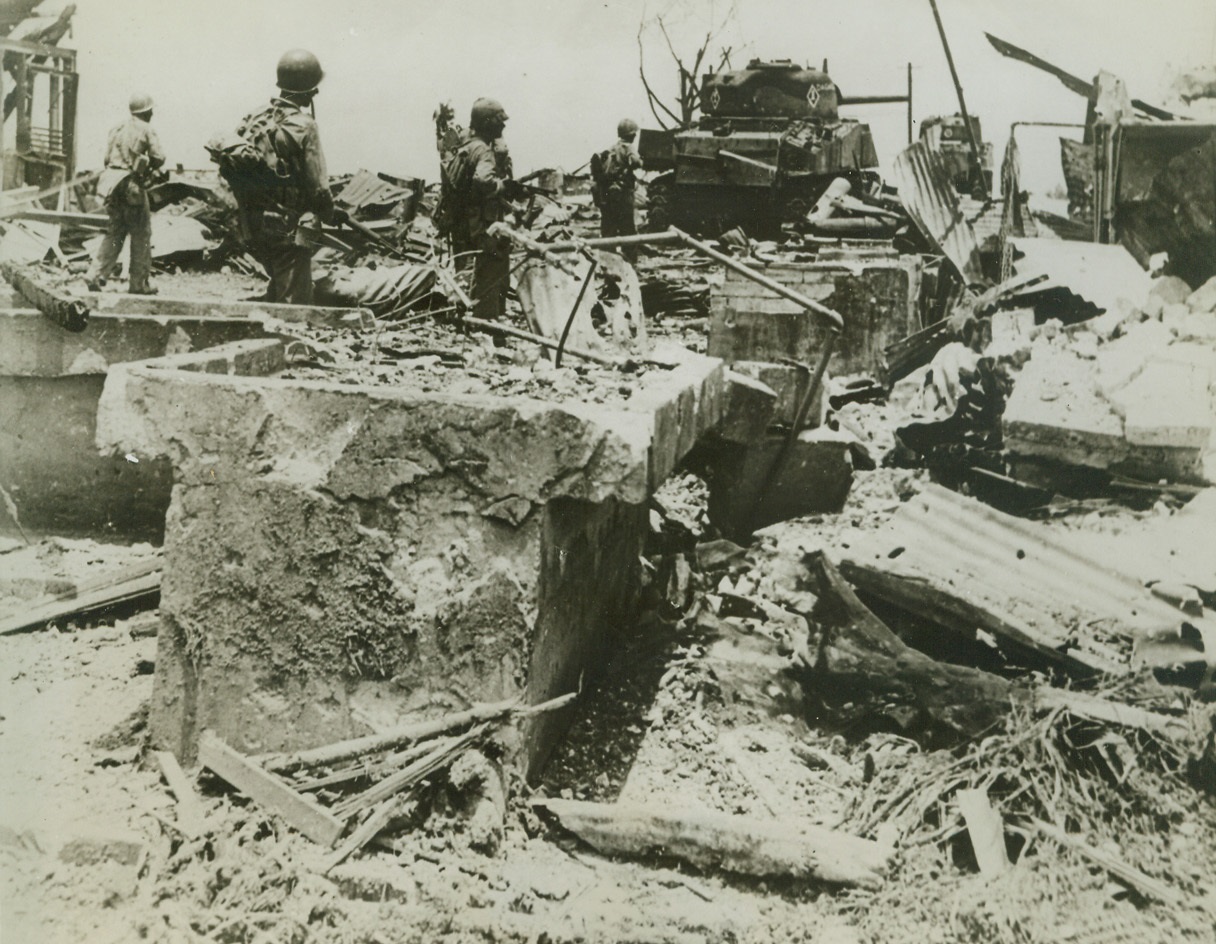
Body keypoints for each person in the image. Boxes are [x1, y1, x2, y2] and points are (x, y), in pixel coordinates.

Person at [234, 49, 342, 304]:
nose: (315, 92)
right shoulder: (305, 125)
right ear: (308, 89)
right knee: (294, 305)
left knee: (278, 286)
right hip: (286, 228)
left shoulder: (254, 118)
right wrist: (330, 213)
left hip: (251, 223)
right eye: (313, 87)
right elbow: (318, 188)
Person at [451, 97, 525, 321]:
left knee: (465, 269)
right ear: (487, 123)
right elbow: (483, 180)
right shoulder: (483, 151)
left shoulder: (465, 147)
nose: (502, 126)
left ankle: (462, 315)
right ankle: (487, 322)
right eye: (498, 121)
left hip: (462, 221)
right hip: (482, 221)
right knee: (494, 265)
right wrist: (503, 186)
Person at [85, 92, 166, 294]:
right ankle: (139, 284)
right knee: (141, 234)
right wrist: (148, 169)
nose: (152, 113)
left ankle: (95, 274)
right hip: (131, 185)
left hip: (111, 184)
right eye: (151, 110)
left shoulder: (116, 128)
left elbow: (106, 158)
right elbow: (159, 157)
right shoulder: (146, 128)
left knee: (115, 232)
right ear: (146, 111)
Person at [597, 118, 643, 258]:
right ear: (631, 134)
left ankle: (607, 257)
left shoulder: (611, 148)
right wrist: (640, 161)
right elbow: (635, 162)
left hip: (607, 193)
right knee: (627, 227)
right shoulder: (628, 147)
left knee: (608, 226)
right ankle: (630, 258)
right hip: (622, 194)